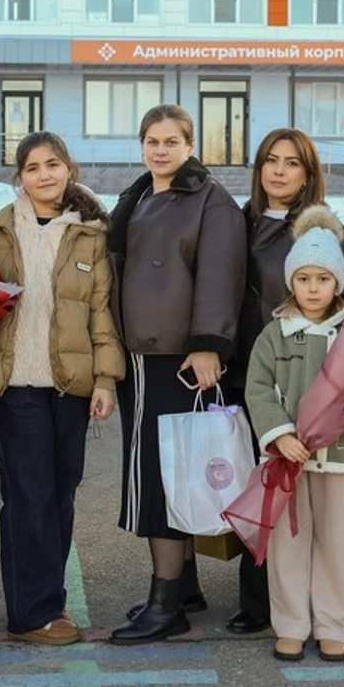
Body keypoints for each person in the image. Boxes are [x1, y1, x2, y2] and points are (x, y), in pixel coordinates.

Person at [0, 132, 124, 645]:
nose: (44, 175)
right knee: (29, 497)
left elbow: (101, 312)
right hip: (15, 386)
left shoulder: (92, 236)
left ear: (68, 169)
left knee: (60, 496)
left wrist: (104, 379)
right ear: (20, 177)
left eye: (53, 165)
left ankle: (46, 603)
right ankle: (31, 614)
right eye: (33, 168)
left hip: (69, 386)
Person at [107, 104, 246, 643]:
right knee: (162, 470)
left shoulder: (210, 200)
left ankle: (168, 602)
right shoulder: (139, 193)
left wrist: (209, 344)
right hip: (140, 356)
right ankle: (180, 585)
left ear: (191, 145)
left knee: (164, 476)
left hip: (179, 358)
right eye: (152, 140)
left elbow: (220, 273)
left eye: (171, 141)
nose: (160, 149)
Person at [228, 128, 344, 638]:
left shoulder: (320, 232)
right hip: (252, 366)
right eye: (271, 160)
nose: (280, 171)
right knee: (265, 491)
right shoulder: (239, 220)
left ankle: (315, 617)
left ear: (309, 173)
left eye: (292, 163)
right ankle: (267, 602)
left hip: (308, 373)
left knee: (313, 515)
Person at [244, 207, 344, 662]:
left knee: (338, 547)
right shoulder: (274, 333)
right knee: (288, 546)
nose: (312, 288)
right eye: (303, 278)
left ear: (338, 282)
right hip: (289, 460)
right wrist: (279, 434)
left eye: (322, 278)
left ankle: (333, 625)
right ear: (291, 281)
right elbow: (257, 389)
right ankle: (289, 624)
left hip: (342, 461)